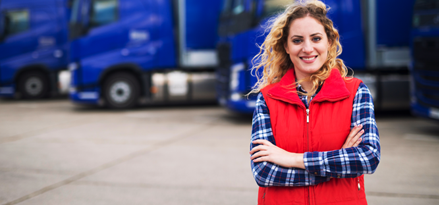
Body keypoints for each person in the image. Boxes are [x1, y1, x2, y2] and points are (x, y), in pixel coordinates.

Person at [248, 0, 380, 204]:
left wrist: (293, 159)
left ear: (329, 41)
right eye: (298, 40)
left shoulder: (355, 92)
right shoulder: (268, 98)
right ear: (286, 46)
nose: (308, 48)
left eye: (316, 38)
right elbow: (264, 173)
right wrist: (336, 166)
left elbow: (367, 158)